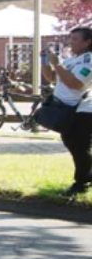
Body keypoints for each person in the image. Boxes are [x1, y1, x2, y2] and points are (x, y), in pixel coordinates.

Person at [42, 26, 92, 197]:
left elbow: (76, 83)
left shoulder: (89, 60)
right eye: (70, 39)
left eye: (75, 39)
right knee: (72, 143)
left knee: (80, 145)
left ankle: (81, 182)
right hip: (65, 108)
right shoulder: (71, 60)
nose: (71, 43)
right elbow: (53, 78)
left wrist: (57, 63)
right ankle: (85, 176)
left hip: (83, 109)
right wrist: (45, 61)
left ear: (87, 42)